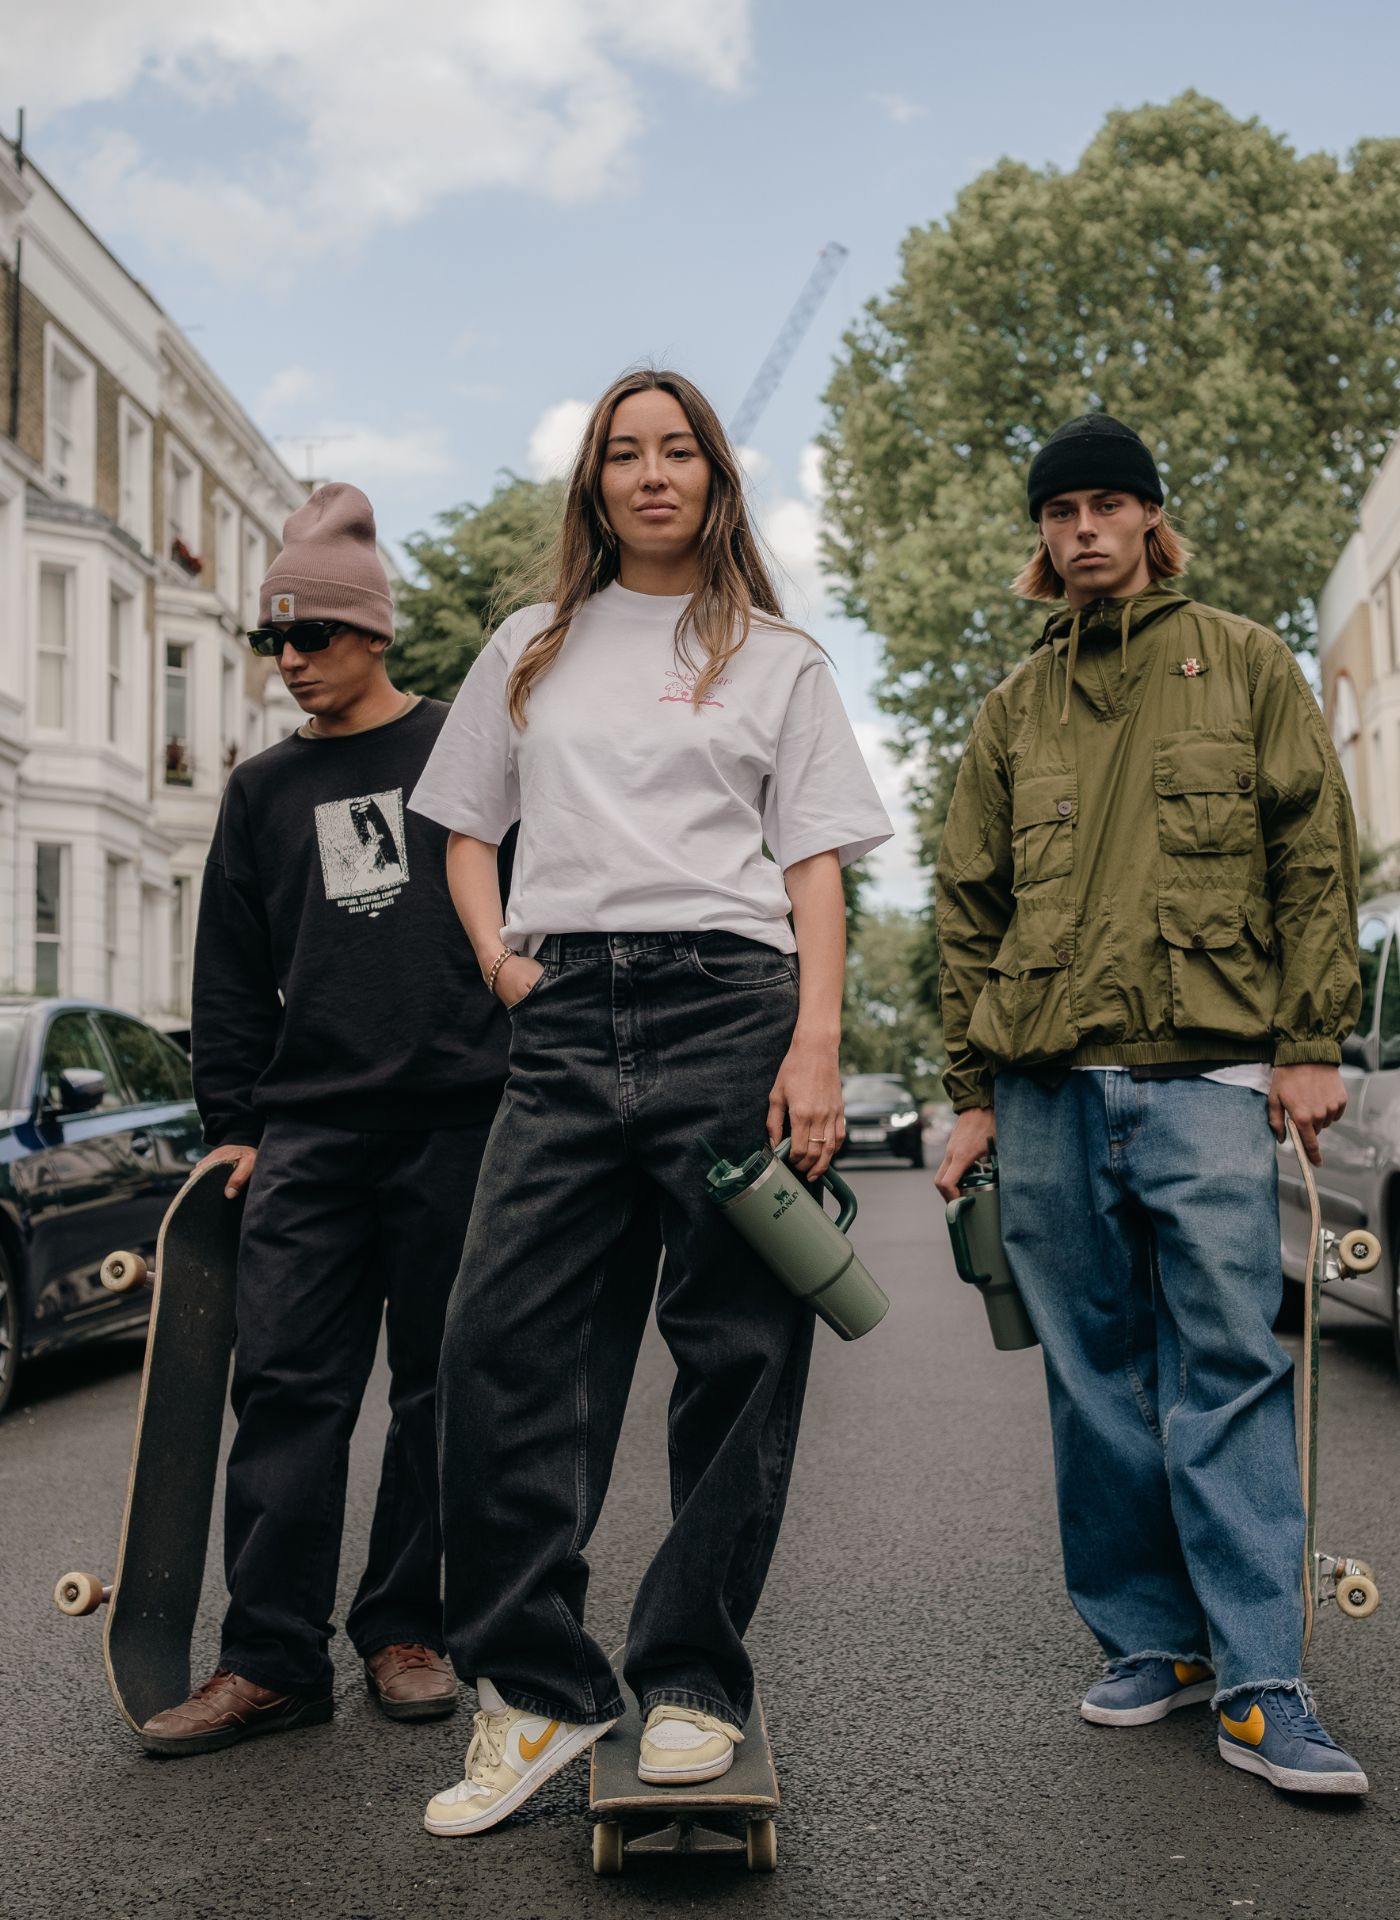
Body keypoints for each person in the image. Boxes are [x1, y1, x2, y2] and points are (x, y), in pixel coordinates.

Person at [407, 368, 891, 1835]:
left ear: (716, 477)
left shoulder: (775, 656)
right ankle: (539, 1693)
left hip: (729, 1008)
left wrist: (817, 1042)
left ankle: (690, 1682)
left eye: (679, 449)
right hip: (562, 1014)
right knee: (497, 1343)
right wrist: (496, 957)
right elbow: (464, 825)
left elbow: (815, 862)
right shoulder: (529, 645)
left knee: (737, 1351)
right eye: (625, 452)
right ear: (596, 484)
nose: (653, 472)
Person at [144, 483, 657, 1755]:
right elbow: (226, 974)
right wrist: (233, 1121)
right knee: (286, 1393)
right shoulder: (260, 792)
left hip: (464, 1122)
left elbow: (546, 896)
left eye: (310, 635)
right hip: (308, 1134)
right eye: (274, 642)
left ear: (372, 630)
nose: (291, 662)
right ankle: (267, 1657)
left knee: (444, 1393)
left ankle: (405, 1632)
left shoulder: (463, 746)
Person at [934, 412, 1367, 1795]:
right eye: (1062, 512)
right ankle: (1150, 1641)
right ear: (1043, 540)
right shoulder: (1012, 708)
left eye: (1110, 505)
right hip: (1049, 1083)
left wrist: (1312, 1043)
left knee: (1231, 1366)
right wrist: (970, 1095)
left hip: (1207, 1077)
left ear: (1152, 521)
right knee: (1093, 1380)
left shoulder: (1244, 661)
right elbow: (968, 908)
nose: (1085, 530)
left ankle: (1262, 1677)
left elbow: (1315, 857)